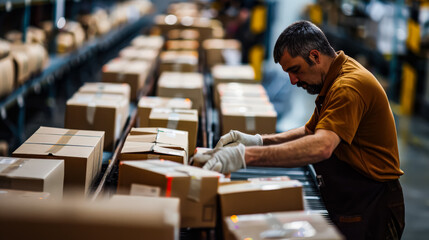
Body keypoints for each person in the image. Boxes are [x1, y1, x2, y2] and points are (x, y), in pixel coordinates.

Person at [193, 20, 405, 239]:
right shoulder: (335, 77)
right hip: (351, 198)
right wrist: (257, 140)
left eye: (295, 70)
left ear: (315, 56)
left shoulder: (348, 87)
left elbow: (321, 146)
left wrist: (244, 156)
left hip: (370, 205)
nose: (293, 81)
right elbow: (310, 132)